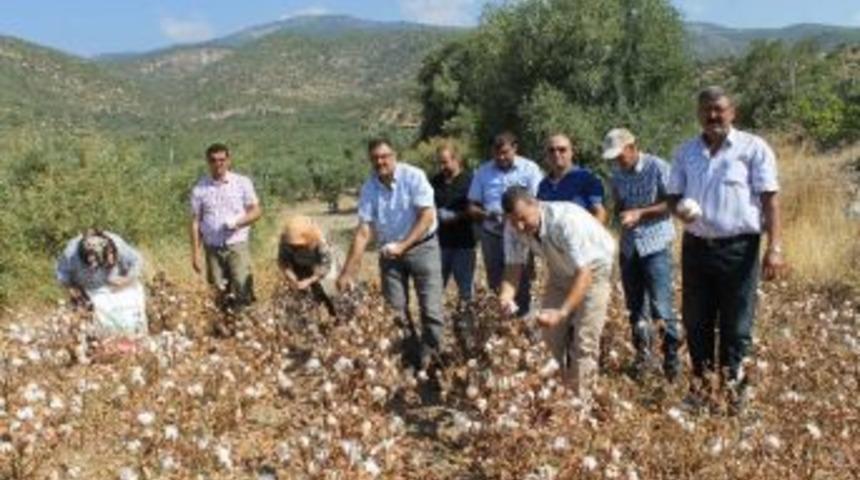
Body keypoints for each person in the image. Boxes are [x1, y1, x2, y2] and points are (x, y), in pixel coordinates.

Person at [668, 86, 786, 411]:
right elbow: (673, 196)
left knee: (736, 326)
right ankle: (701, 391)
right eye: (706, 109)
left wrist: (775, 248)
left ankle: (734, 394)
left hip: (739, 249)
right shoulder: (685, 152)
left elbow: (771, 201)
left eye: (719, 109)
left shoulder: (753, 148)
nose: (713, 115)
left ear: (732, 112)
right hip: (695, 249)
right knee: (696, 322)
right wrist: (679, 210)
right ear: (698, 114)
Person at [336, 137, 445, 371]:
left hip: (423, 248)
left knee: (431, 311)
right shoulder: (369, 188)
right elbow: (363, 232)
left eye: (384, 156)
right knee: (395, 312)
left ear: (394, 156)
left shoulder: (414, 176)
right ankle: (411, 362)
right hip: (390, 254)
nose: (380, 162)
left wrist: (403, 246)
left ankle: (435, 363)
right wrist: (348, 273)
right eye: (375, 158)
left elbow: (427, 217)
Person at [497, 187, 615, 402]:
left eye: (523, 219)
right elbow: (513, 266)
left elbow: (585, 273)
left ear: (535, 204)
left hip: (594, 271)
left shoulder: (565, 221)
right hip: (561, 273)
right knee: (548, 339)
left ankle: (580, 406)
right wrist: (506, 297)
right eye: (514, 221)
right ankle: (552, 400)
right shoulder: (512, 227)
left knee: (584, 341)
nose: (520, 227)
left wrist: (562, 312)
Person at [604, 128, 680, 380]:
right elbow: (619, 204)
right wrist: (620, 213)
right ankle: (643, 357)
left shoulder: (658, 167)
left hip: (656, 245)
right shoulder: (616, 174)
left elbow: (673, 203)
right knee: (635, 308)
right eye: (614, 158)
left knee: (662, 307)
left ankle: (671, 361)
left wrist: (640, 213)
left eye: (620, 155)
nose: (617, 161)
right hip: (629, 247)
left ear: (632, 147)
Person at [467, 132, 543, 316]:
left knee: (521, 277)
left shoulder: (530, 169)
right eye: (497, 153)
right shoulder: (483, 172)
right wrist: (487, 214)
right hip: (492, 234)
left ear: (515, 148)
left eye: (505, 152)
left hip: (522, 232)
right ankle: (503, 319)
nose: (501, 157)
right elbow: (472, 206)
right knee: (495, 280)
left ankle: (523, 318)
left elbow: (538, 200)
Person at [189, 143, 262, 315]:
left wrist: (238, 222)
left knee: (242, 288)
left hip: (237, 245)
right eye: (213, 160)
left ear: (228, 160)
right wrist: (195, 254)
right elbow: (195, 222)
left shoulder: (242, 183)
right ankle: (223, 326)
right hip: (212, 248)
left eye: (222, 159)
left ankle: (246, 324)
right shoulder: (200, 188)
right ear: (208, 162)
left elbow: (257, 211)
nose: (218, 164)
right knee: (218, 293)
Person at [430, 142, 477, 304]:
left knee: (465, 290)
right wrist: (436, 214)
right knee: (435, 289)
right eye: (439, 163)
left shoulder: (470, 180)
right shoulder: (434, 181)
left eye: (445, 162)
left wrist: (458, 216)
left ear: (457, 160)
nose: (442, 167)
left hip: (464, 244)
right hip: (440, 244)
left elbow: (477, 209)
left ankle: (466, 319)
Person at [56, 229, 143, 306]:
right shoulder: (71, 253)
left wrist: (126, 281)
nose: (94, 266)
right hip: (87, 290)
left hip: (116, 287)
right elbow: (62, 273)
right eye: (91, 262)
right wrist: (72, 289)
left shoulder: (117, 244)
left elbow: (136, 261)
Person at [278, 215, 340, 317]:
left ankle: (334, 313)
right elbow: (283, 262)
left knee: (329, 290)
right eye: (293, 245)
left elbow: (326, 266)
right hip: (301, 264)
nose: (294, 247)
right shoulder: (286, 242)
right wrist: (291, 277)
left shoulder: (321, 242)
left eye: (298, 245)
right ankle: (307, 313)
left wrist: (309, 280)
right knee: (301, 294)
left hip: (321, 265)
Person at [538, 134, 608, 224]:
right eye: (551, 150)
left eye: (562, 150)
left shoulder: (587, 178)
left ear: (571, 152)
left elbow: (599, 212)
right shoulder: (543, 185)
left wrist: (592, 232)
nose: (556, 154)